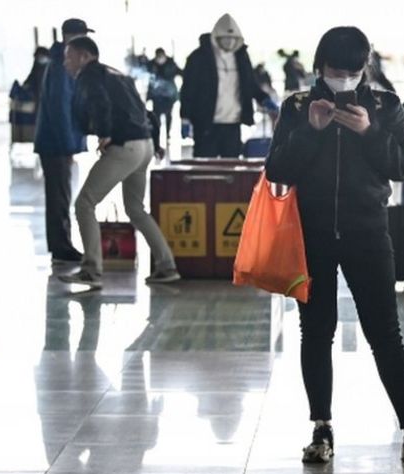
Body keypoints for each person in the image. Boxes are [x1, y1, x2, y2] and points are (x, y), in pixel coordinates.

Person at [265, 26, 404, 468]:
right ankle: (321, 427)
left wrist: (370, 132)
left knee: (385, 334)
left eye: (352, 71)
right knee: (316, 332)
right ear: (319, 66)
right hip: (313, 234)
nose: (343, 79)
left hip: (368, 233)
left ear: (366, 68)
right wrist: (311, 131)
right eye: (335, 71)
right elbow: (276, 168)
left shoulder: (385, 105)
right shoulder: (299, 106)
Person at [57, 36, 179, 290]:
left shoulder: (90, 75)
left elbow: (98, 103)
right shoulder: (118, 75)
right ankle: (167, 266)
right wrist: (154, 141)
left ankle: (91, 269)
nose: (66, 62)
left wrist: (104, 132)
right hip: (143, 145)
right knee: (135, 208)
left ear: (84, 56)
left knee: (84, 203)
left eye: (69, 56)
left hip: (124, 146)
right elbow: (147, 112)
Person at [34, 18, 92, 265]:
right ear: (72, 37)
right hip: (56, 143)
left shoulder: (62, 60)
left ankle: (62, 244)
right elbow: (59, 108)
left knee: (61, 194)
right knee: (59, 196)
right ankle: (61, 247)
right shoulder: (62, 65)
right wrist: (68, 144)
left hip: (58, 140)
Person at [180, 14, 278, 158]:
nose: (230, 43)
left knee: (231, 167)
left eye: (233, 39)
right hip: (206, 124)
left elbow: (249, 84)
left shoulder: (241, 57)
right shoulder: (198, 58)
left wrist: (264, 99)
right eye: (226, 39)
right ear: (216, 37)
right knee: (206, 168)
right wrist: (185, 117)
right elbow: (188, 90)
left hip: (233, 124)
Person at [147, 48, 182, 142]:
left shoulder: (171, 64)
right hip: (157, 96)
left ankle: (167, 135)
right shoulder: (151, 65)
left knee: (168, 116)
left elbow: (180, 72)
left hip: (168, 96)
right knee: (156, 117)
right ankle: (157, 135)